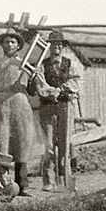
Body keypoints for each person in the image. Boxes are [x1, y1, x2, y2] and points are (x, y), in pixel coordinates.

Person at [0, 28, 42, 196]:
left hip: (21, 106)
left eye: (13, 42)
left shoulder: (26, 65)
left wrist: (35, 78)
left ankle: (22, 185)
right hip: (1, 106)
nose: (9, 44)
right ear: (2, 44)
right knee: (2, 144)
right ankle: (4, 184)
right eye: (6, 41)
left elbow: (32, 91)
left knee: (22, 144)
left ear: (18, 46)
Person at [38, 30, 84, 191]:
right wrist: (48, 92)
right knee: (49, 145)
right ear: (48, 46)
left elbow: (76, 82)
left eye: (59, 44)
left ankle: (65, 180)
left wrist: (60, 90)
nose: (56, 46)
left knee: (65, 142)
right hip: (47, 106)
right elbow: (39, 86)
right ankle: (48, 181)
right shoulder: (42, 65)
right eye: (52, 43)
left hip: (65, 105)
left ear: (62, 46)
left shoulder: (69, 63)